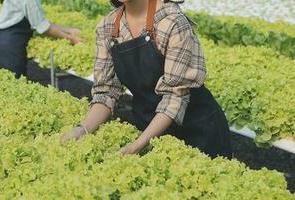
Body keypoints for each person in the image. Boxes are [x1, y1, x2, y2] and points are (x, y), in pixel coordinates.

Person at [61, 0, 232, 158]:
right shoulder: (108, 27)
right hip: (148, 126)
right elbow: (106, 92)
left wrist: (137, 145)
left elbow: (175, 97)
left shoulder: (171, 22)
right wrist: (83, 129)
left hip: (198, 130)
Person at [0, 0, 84, 79]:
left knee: (5, 82)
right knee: (13, 83)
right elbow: (43, 27)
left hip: (1, 40)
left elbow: (41, 21)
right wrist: (72, 39)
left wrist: (68, 30)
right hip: (8, 44)